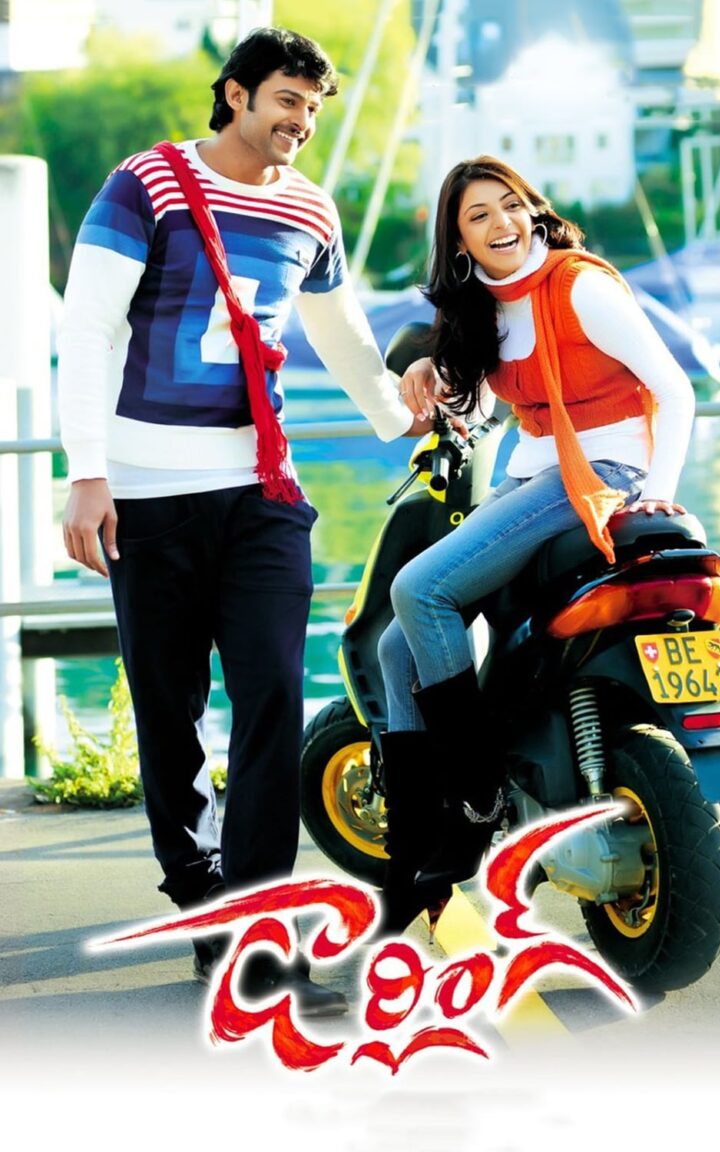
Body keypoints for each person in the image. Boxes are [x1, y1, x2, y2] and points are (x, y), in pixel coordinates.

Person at [57, 26, 434, 1015]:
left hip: (263, 493)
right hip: (147, 493)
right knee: (169, 711)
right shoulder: (145, 184)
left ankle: (257, 933)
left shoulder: (311, 209)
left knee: (272, 697)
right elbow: (86, 330)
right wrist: (87, 475)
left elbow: (343, 337)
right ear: (235, 94)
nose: (301, 122)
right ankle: (199, 897)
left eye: (313, 107)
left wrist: (401, 419)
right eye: (286, 100)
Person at [375, 154, 697, 935]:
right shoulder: (488, 305)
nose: (502, 224)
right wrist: (428, 368)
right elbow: (488, 403)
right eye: (478, 216)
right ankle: (414, 843)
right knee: (395, 647)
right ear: (459, 242)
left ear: (534, 210)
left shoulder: (579, 286)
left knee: (419, 590)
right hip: (533, 478)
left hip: (601, 471)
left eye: (511, 205)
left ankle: (475, 790)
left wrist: (659, 486)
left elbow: (674, 386)